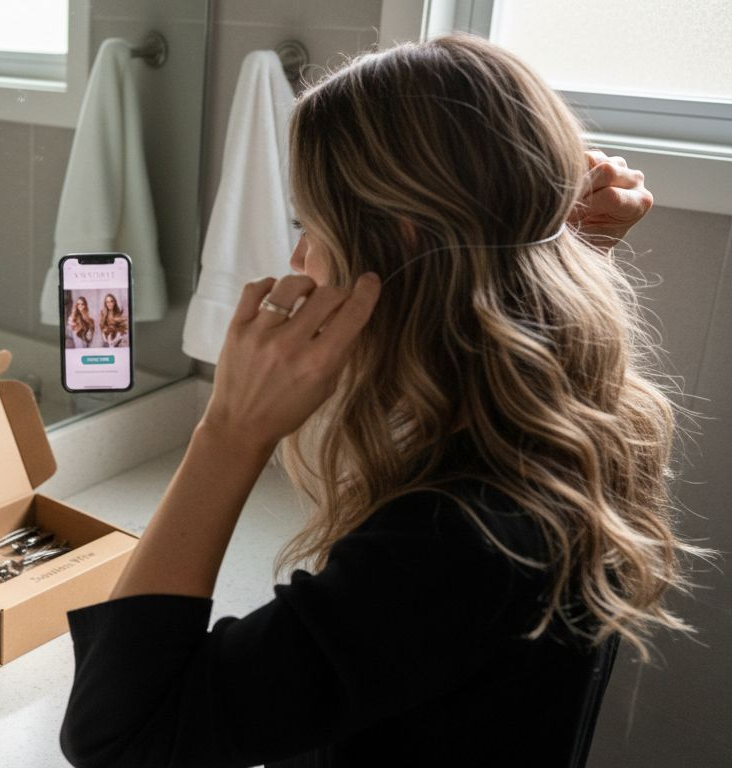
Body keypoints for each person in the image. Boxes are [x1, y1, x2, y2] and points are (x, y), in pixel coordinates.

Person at [61, 35, 701, 767]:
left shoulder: (457, 539)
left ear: (394, 245)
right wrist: (559, 244)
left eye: (308, 225)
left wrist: (229, 432)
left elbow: (119, 737)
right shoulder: (587, 423)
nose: (298, 259)